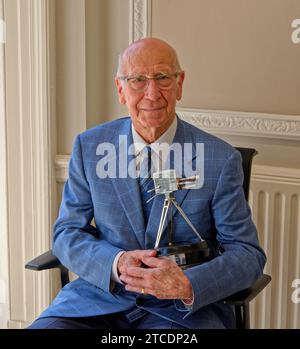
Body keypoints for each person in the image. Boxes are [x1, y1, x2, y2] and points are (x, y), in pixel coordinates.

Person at [28, 37, 266, 329]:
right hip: (95, 303)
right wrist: (115, 263)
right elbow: (67, 233)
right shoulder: (89, 147)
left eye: (163, 77)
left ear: (179, 83)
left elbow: (247, 254)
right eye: (138, 80)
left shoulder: (219, 158)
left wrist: (187, 284)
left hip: (183, 313)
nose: (152, 93)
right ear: (121, 89)